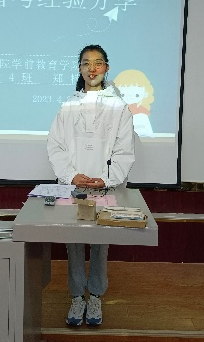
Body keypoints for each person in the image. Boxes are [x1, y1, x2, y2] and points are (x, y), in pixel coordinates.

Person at [47, 44, 135, 326]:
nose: (92, 68)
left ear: (106, 68)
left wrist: (106, 179)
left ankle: (95, 295)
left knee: (99, 243)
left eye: (98, 63)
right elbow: (56, 146)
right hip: (74, 185)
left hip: (104, 187)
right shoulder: (68, 106)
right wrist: (71, 175)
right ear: (80, 69)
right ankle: (77, 296)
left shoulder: (119, 107)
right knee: (73, 243)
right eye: (86, 63)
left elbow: (124, 150)